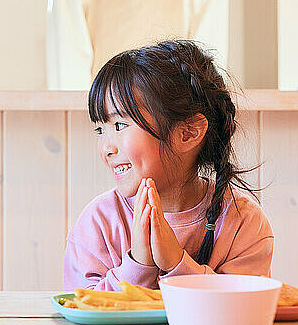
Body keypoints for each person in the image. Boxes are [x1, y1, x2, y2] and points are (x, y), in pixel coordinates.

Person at [63, 40, 273, 291]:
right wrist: (138, 264)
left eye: (119, 126)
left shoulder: (243, 223)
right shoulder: (98, 222)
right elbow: (81, 308)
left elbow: (245, 308)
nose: (106, 147)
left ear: (188, 133)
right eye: (100, 129)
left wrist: (176, 263)